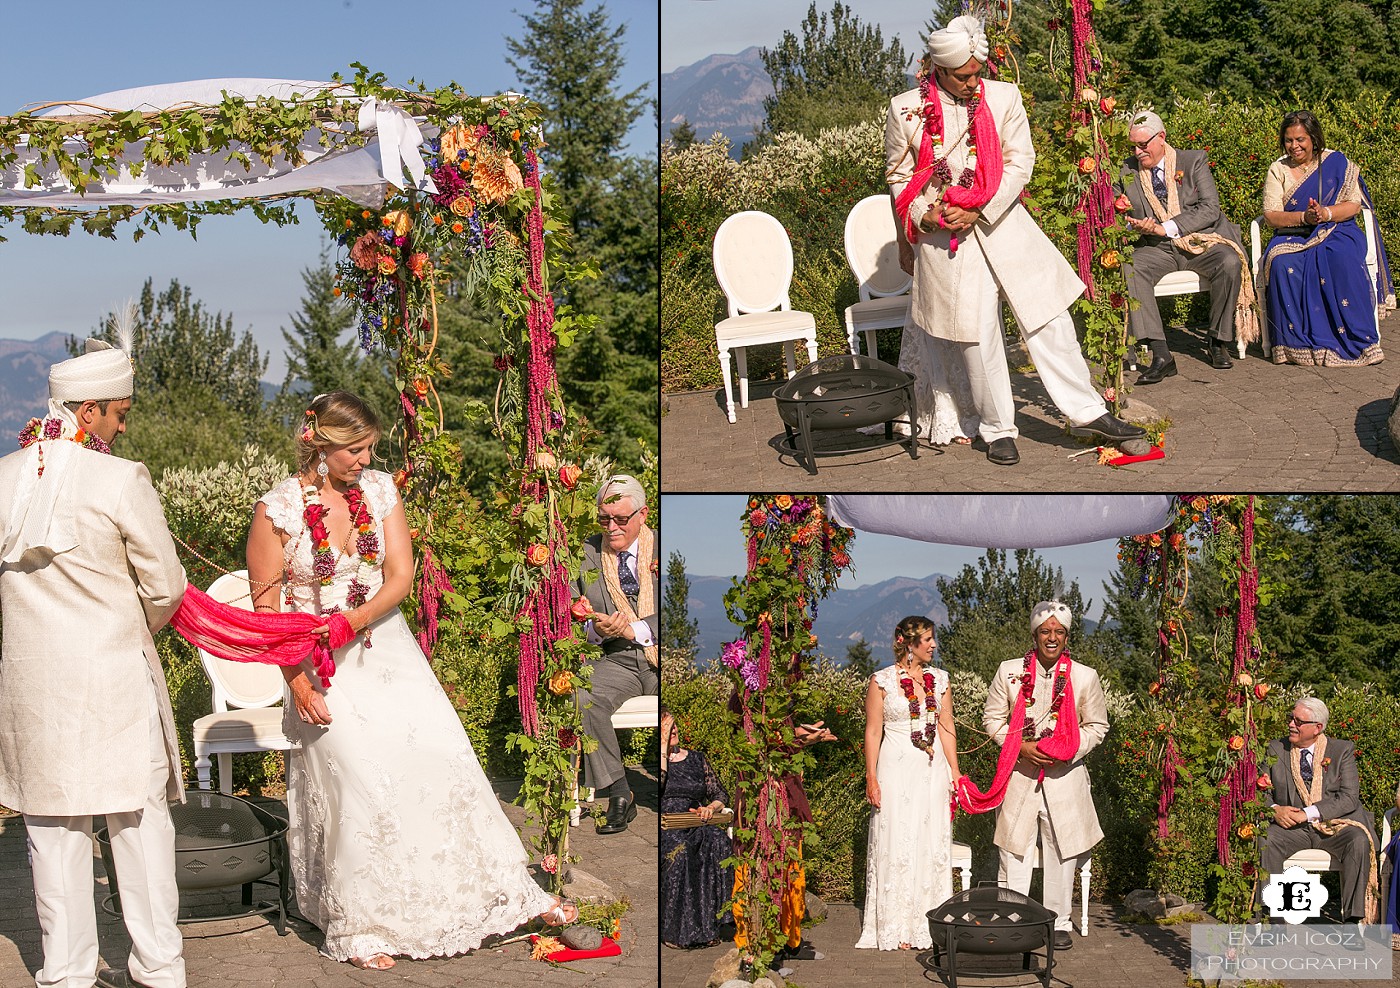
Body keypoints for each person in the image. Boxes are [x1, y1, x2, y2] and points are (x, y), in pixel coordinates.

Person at [245, 391, 572, 971]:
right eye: (355, 449)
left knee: (438, 755)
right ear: (320, 445)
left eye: (371, 447)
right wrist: (297, 681)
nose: (366, 459)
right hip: (316, 668)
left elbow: (400, 575)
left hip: (384, 648)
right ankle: (362, 921)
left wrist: (352, 620)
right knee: (359, 773)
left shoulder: (379, 492)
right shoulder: (279, 510)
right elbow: (267, 608)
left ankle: (482, 891)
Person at [0, 331, 189, 988]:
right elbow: (167, 585)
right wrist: (134, 629)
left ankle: (67, 975)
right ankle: (159, 972)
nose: (125, 424)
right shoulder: (121, 479)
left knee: (52, 835)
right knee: (137, 827)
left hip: (31, 687)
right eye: (122, 412)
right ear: (89, 413)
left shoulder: (1, 479)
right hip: (112, 683)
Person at [886, 13, 1144, 466]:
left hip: (1004, 226)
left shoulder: (1003, 97)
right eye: (963, 77)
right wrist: (924, 217)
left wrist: (977, 207)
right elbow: (898, 177)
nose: (973, 83)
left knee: (1049, 318)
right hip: (945, 240)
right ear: (938, 69)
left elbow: (1019, 163)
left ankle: (1089, 412)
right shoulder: (904, 108)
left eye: (977, 73)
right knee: (977, 334)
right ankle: (998, 429)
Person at [982, 601, 1108, 950]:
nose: (1051, 637)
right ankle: (1011, 919)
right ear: (1035, 634)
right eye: (1045, 631)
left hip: (1064, 778)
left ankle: (1058, 922)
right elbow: (992, 718)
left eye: (1059, 632)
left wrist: (1066, 748)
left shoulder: (1085, 676)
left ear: (1067, 636)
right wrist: (1019, 746)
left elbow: (1097, 727)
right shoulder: (1009, 671)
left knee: (1061, 849)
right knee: (1014, 848)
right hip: (1019, 775)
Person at [1117, 110, 1255, 382]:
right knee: (1131, 265)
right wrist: (1133, 225)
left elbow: (1209, 209)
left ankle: (1217, 341)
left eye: (1143, 145)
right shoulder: (1126, 170)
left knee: (1229, 262)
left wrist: (1165, 227)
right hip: (1157, 248)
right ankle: (1160, 354)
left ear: (1162, 138)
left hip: (1200, 240)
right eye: (1133, 145)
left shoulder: (1193, 161)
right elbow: (1113, 211)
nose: (1137, 151)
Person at [1259, 110, 1394, 366]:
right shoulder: (1278, 170)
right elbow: (1271, 216)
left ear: (1313, 138)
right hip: (1295, 234)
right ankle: (1296, 346)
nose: (1294, 146)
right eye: (1288, 140)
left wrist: (1325, 213)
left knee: (1340, 258)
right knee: (1281, 265)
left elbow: (1354, 205)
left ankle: (1359, 340)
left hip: (1337, 229)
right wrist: (1305, 218)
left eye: (1300, 139)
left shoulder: (1336, 162)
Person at [856, 616, 959, 951]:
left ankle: (927, 923)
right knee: (896, 840)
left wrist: (955, 774)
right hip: (895, 767)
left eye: (933, 639)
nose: (933, 645)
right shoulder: (882, 681)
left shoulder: (940, 680)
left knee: (929, 842)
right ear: (907, 642)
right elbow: (873, 731)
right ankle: (895, 925)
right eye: (927, 639)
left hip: (932, 770)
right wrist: (871, 776)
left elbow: (946, 728)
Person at [573, 474, 659, 834]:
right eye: (603, 518)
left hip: (663, 657)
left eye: (621, 519)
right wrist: (595, 630)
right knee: (582, 694)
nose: (611, 527)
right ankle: (620, 793)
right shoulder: (585, 554)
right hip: (617, 658)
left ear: (643, 514)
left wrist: (635, 628)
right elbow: (568, 613)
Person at [1262, 697, 1379, 925]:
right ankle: (1274, 920)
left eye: (1298, 721)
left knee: (1358, 840)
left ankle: (1353, 921)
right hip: (1293, 829)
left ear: (1318, 728)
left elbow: (1348, 798)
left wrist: (1307, 813)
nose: (1291, 724)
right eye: (1290, 718)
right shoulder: (1276, 748)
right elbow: (1259, 793)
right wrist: (1275, 810)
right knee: (1267, 838)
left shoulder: (1341, 750)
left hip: (1335, 826)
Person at [660, 707, 734, 950]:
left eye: (675, 726)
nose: (675, 731)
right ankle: (675, 930)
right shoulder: (658, 762)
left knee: (719, 842)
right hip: (667, 822)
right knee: (679, 852)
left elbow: (720, 792)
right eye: (668, 728)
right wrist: (662, 748)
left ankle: (709, 925)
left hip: (696, 818)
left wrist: (711, 808)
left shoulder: (696, 758)